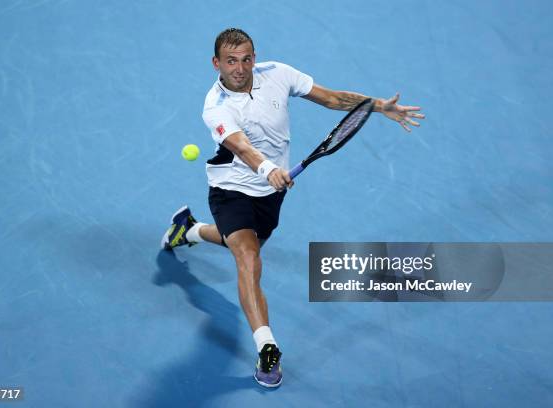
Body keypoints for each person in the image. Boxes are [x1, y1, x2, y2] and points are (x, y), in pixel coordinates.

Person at [161, 28, 425, 388]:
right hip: (232, 190)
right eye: (231, 61)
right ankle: (267, 348)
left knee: (239, 243)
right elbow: (241, 147)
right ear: (216, 64)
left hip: (272, 194)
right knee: (248, 258)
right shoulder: (216, 107)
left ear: (255, 57)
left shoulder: (278, 74)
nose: (240, 68)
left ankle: (188, 229)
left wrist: (377, 105)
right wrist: (269, 169)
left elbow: (331, 99)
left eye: (246, 59)